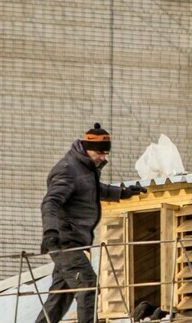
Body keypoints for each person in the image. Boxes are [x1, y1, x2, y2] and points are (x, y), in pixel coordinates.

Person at [36, 123, 147, 323]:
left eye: (106, 154)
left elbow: (93, 189)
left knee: (60, 296)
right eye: (100, 153)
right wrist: (50, 233)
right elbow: (50, 202)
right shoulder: (68, 170)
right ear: (87, 149)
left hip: (76, 241)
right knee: (88, 285)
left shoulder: (85, 168)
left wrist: (122, 193)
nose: (104, 158)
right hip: (65, 241)